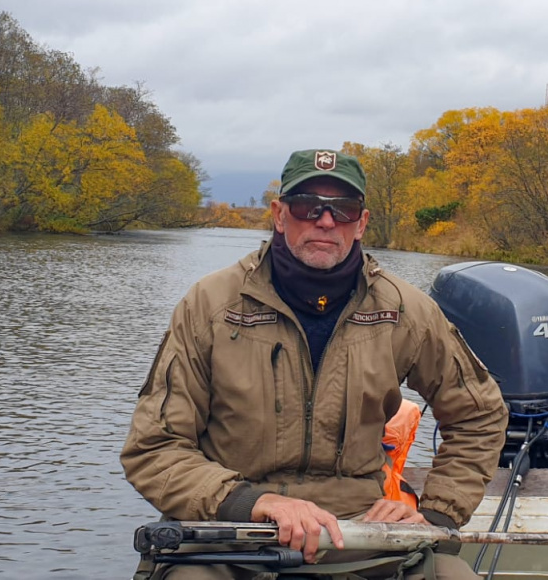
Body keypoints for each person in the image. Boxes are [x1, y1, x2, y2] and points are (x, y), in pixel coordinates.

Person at [121, 148, 509, 580]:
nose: (326, 222)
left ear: (360, 223)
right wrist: (253, 502)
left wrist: (436, 514)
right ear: (280, 215)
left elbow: (481, 414)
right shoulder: (209, 305)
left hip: (362, 536)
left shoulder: (406, 311)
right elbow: (154, 447)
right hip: (230, 537)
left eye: (343, 211)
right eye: (308, 207)